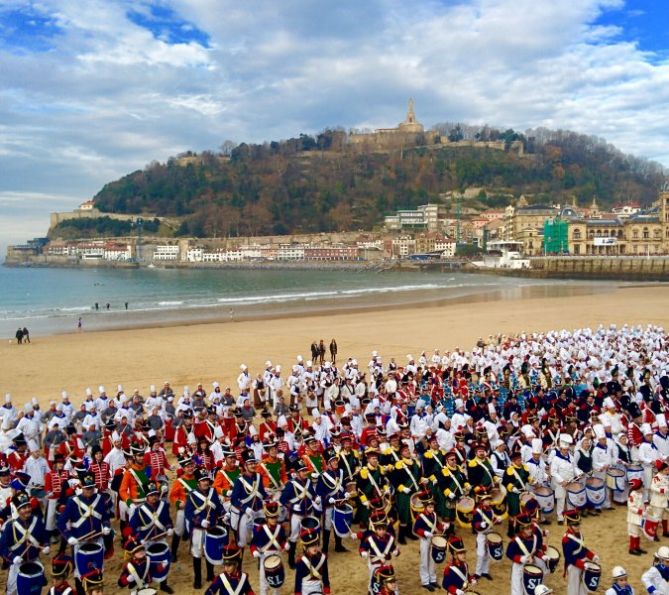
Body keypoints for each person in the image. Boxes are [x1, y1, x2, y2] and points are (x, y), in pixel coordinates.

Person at [0, 491, 49, 595]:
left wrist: (46, 546)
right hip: (17, 564)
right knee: (12, 591)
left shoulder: (37, 521)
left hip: (34, 561)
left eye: (28, 506)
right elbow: (2, 547)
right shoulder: (10, 526)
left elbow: (45, 537)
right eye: (23, 508)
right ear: (18, 510)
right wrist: (13, 557)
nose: (27, 510)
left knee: (35, 590)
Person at [186, 467, 224, 588]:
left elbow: (218, 507)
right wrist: (199, 521)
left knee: (210, 551)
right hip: (198, 529)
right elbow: (188, 513)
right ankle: (197, 579)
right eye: (203, 480)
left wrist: (224, 514)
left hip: (211, 527)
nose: (206, 482)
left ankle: (210, 574)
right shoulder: (192, 495)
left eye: (207, 479)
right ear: (198, 482)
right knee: (197, 553)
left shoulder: (213, 492)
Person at [250, 501, 288, 595]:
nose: (273, 520)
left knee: (277, 583)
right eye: (271, 517)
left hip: (277, 556)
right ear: (267, 518)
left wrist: (285, 545)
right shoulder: (261, 529)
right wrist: (254, 551)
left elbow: (282, 540)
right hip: (265, 556)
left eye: (275, 517)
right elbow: (253, 543)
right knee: (263, 582)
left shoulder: (280, 528)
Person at [412, 490, 445, 591]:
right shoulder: (420, 517)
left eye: (432, 507)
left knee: (432, 560)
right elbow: (416, 529)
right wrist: (425, 533)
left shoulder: (434, 515)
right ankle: (425, 581)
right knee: (424, 561)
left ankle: (433, 579)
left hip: (433, 540)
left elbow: (437, 525)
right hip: (425, 540)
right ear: (425, 507)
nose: (431, 508)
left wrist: (443, 527)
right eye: (429, 507)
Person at [561, 509, 599, 595]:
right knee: (574, 587)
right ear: (569, 526)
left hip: (583, 562)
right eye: (575, 525)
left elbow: (583, 549)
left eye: (578, 524)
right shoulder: (566, 539)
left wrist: (592, 556)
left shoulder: (580, 534)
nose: (578, 527)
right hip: (574, 566)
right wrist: (581, 564)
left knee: (583, 585)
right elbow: (569, 558)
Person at [471, 492, 502, 581]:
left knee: (488, 554)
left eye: (489, 500)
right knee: (481, 554)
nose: (488, 502)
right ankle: (477, 572)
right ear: (482, 501)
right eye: (486, 500)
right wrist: (480, 524)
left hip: (490, 533)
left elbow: (493, 520)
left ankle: (485, 571)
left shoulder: (491, 510)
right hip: (481, 534)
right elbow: (474, 523)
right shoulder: (477, 511)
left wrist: (498, 519)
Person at [294, 528, 331, 595]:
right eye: (310, 545)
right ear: (305, 547)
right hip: (304, 590)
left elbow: (325, 575)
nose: (314, 547)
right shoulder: (301, 561)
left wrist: (326, 588)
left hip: (318, 589)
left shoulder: (323, 558)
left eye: (315, 544)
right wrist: (298, 593)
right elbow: (298, 579)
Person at [627, 478, 647, 555]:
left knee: (638, 533)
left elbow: (641, 504)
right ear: (637, 488)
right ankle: (632, 548)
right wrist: (641, 511)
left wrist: (645, 508)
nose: (642, 488)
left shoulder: (640, 494)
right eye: (641, 487)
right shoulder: (632, 495)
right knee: (634, 533)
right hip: (633, 518)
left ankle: (637, 547)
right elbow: (631, 507)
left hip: (639, 517)